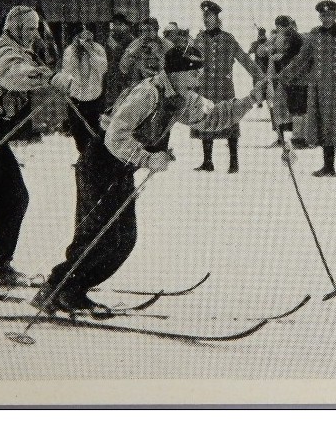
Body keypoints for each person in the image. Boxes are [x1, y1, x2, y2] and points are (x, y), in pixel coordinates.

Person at [32, 46, 263, 315]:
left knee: (124, 240)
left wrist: (249, 101)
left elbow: (212, 118)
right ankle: (55, 290)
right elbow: (114, 136)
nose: (199, 78)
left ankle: (75, 290)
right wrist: (146, 158)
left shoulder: (182, 97)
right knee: (97, 236)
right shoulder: (147, 93)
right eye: (194, 72)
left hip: (123, 169)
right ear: (177, 72)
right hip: (100, 165)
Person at [0, 6, 70, 295]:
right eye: (29, 29)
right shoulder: (2, 51)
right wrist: (47, 77)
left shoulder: (19, 50)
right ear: (15, 28)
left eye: (36, 29)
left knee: (16, 198)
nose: (34, 35)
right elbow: (12, 75)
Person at [279, 0, 336, 177]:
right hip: (320, 89)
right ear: (320, 17)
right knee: (324, 126)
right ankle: (328, 166)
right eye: (323, 15)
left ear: (335, 15)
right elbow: (301, 59)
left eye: (329, 15)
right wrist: (284, 75)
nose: (326, 18)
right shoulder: (314, 35)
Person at [192, 1, 264, 174]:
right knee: (205, 120)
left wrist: (259, 76)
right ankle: (207, 161)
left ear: (217, 18)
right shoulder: (199, 39)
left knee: (231, 120)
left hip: (224, 87)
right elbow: (191, 63)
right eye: (204, 17)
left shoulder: (228, 38)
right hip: (205, 87)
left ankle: (234, 162)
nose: (206, 20)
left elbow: (244, 58)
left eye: (209, 16)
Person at [60, 25, 109, 156]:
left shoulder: (98, 49)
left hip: (94, 98)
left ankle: (95, 159)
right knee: (79, 133)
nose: (86, 41)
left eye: (89, 38)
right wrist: (77, 52)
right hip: (76, 99)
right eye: (83, 38)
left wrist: (90, 51)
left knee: (96, 132)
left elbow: (102, 68)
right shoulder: (70, 51)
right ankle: (84, 157)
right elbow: (67, 71)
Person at [264, 15, 305, 147]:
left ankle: (298, 138)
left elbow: (298, 57)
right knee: (279, 108)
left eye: (280, 26)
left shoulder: (296, 38)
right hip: (280, 78)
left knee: (296, 108)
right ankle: (281, 138)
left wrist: (281, 57)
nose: (278, 29)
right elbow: (264, 50)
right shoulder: (279, 37)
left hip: (294, 79)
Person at [119, 17, 174, 84]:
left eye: (148, 30)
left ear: (156, 30)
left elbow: (173, 69)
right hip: (140, 83)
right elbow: (123, 68)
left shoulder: (167, 45)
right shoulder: (137, 43)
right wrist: (134, 51)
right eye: (142, 31)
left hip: (161, 83)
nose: (144, 34)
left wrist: (158, 54)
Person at [101, 12, 136, 110]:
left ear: (125, 25)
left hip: (124, 75)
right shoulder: (112, 37)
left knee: (122, 100)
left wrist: (112, 43)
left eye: (119, 24)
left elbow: (124, 55)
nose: (116, 27)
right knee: (110, 100)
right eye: (114, 24)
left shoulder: (129, 38)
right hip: (112, 74)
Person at [248, 27, 270, 107]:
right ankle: (267, 101)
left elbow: (248, 53)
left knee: (257, 84)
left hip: (257, 67)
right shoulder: (268, 43)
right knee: (266, 84)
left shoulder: (255, 44)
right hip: (267, 67)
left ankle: (259, 101)